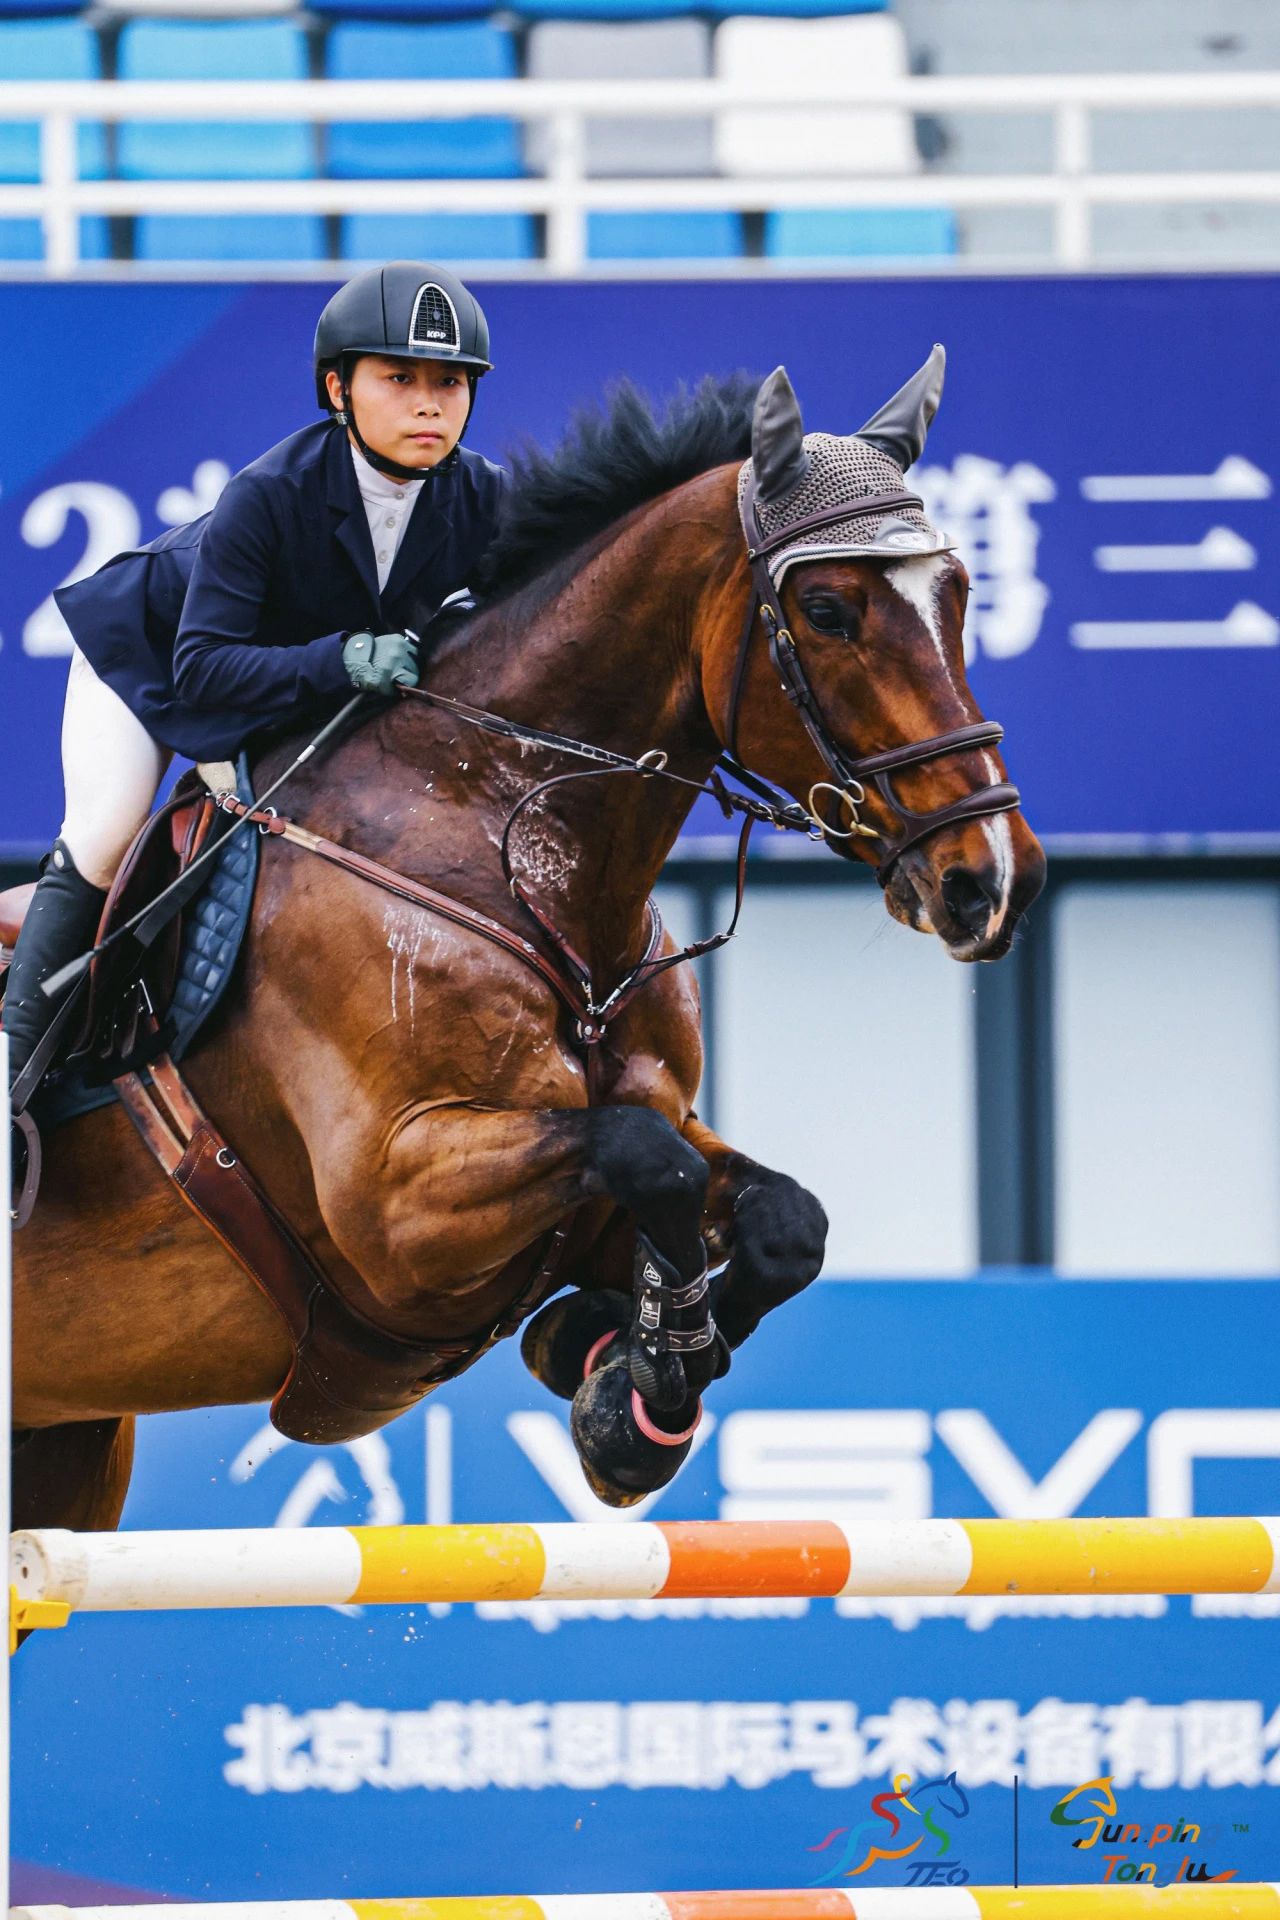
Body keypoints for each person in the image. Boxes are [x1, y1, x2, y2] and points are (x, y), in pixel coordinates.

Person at [3, 261, 506, 1087]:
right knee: (108, 833)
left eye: (450, 382)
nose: (428, 404)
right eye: (400, 378)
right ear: (339, 389)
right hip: (150, 657)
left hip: (281, 688)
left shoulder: (483, 496)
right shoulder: (269, 493)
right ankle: (9, 1082)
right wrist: (344, 658)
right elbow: (202, 669)